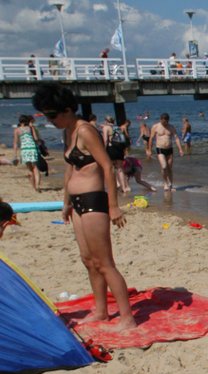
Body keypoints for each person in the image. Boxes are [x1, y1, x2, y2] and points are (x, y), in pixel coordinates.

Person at [32, 83, 137, 330]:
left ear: (67, 110)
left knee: (104, 262)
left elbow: (107, 167)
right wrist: (66, 201)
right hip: (78, 203)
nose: (50, 120)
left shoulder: (85, 130)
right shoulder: (68, 131)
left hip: (94, 201)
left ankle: (127, 318)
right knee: (88, 260)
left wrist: (113, 206)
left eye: (52, 115)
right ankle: (101, 310)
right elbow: (70, 168)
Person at [147, 113, 183, 190]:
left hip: (170, 149)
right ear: (160, 120)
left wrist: (180, 149)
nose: (164, 123)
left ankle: (171, 185)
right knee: (164, 166)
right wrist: (149, 150)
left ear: (168, 120)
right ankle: (165, 183)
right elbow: (151, 138)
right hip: (160, 149)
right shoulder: (155, 126)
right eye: (163, 122)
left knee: (169, 168)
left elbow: (176, 138)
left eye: (166, 122)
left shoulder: (171, 127)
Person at [12, 115, 41, 192]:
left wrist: (15, 155)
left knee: (30, 169)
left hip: (24, 150)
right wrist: (32, 128)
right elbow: (36, 139)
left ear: (20, 122)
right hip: (32, 148)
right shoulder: (31, 128)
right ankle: (37, 186)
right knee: (35, 167)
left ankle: (33, 187)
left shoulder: (17, 130)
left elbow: (15, 143)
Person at [101, 115, 129, 194]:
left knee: (111, 168)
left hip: (111, 149)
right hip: (120, 149)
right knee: (120, 169)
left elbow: (106, 140)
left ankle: (116, 184)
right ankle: (124, 187)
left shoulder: (106, 128)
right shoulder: (118, 128)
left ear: (106, 121)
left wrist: (103, 150)